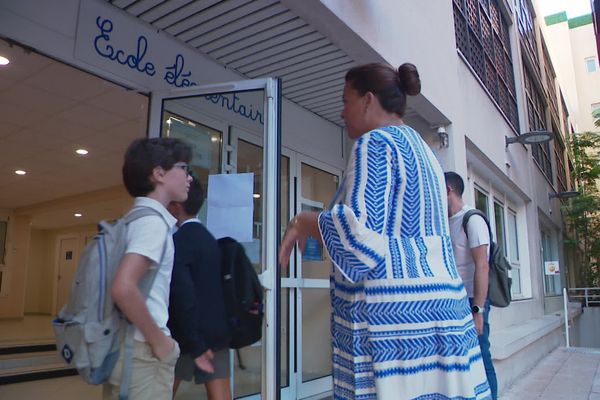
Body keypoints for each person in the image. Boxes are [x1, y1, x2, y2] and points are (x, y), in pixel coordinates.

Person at [279, 63, 491, 399]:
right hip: (444, 316)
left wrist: (303, 221)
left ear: (367, 100)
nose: (342, 110)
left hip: (394, 325)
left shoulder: (375, 143)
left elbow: (359, 240)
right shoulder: (427, 153)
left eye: (346, 100)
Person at [103, 137, 192, 400]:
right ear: (159, 173)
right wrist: (160, 342)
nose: (189, 177)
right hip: (142, 352)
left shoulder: (133, 219)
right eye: (184, 168)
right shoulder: (153, 223)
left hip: (125, 344)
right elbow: (123, 287)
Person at [167, 177, 232, 400]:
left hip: (184, 335)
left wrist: (192, 340)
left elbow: (181, 293)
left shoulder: (177, 243)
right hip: (216, 334)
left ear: (175, 207)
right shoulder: (211, 241)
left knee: (164, 391)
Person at [445, 171, 498, 399]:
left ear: (448, 189)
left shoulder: (472, 219)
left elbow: (482, 266)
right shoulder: (445, 221)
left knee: (481, 354)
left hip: (473, 301)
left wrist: (478, 310)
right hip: (453, 300)